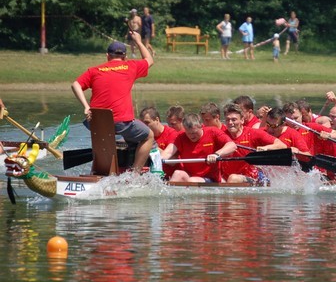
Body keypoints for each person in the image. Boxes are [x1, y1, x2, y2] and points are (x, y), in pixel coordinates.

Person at [71, 33, 154, 172]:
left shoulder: (94, 71)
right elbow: (149, 60)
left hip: (96, 122)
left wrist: (86, 107)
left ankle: (97, 171)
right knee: (149, 136)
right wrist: (139, 41)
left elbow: (75, 85)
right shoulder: (130, 66)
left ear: (107, 56)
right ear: (125, 57)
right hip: (121, 123)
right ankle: (134, 173)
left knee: (105, 140)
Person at [161, 113, 237, 182]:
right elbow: (168, 152)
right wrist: (156, 159)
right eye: (188, 133)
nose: (191, 136)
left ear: (201, 126)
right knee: (177, 174)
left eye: (194, 132)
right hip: (189, 176)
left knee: (192, 181)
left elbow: (232, 146)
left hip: (210, 178)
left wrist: (216, 154)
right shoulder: (181, 136)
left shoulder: (213, 132)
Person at [221, 103, 286, 184]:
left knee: (233, 178)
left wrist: (266, 148)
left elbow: (282, 145)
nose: (230, 123)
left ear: (242, 120)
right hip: (225, 178)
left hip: (252, 177)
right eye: (227, 120)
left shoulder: (253, 133)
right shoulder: (221, 135)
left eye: (234, 119)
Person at [139, 106, 179, 179]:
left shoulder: (172, 134)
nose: (144, 127)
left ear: (157, 120)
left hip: (168, 177)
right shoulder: (142, 136)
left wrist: (151, 147)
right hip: (149, 176)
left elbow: (174, 162)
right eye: (142, 124)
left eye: (147, 122)